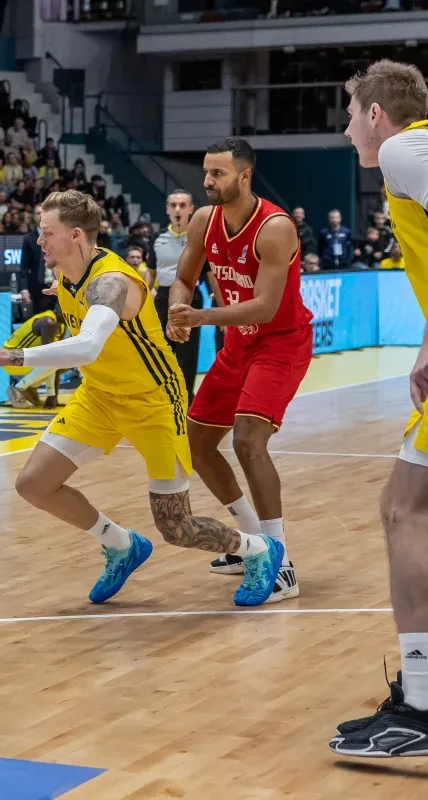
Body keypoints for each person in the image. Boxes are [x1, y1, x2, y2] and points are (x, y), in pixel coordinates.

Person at [0, 190, 284, 607]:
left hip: (153, 400)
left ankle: (258, 550)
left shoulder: (111, 282)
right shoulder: (65, 271)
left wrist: (13, 356)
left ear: (75, 235)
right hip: (99, 395)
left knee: (177, 528)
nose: (38, 241)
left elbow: (87, 346)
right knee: (33, 484)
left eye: (46, 233)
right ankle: (120, 544)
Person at [331, 59, 428, 757]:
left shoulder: (401, 149)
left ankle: (423, 708)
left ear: (375, 114)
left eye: (348, 114)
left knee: (406, 513)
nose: (344, 131)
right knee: (403, 508)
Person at [166, 138, 310, 602]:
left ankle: (281, 561)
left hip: (280, 343)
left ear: (244, 176)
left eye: (218, 174)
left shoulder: (275, 228)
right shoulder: (204, 221)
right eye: (205, 173)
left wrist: (202, 318)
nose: (207, 182)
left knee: (249, 441)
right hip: (238, 343)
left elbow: (266, 308)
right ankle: (252, 543)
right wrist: (176, 310)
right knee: (198, 443)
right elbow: (184, 278)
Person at [150, 191, 202, 396]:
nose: (177, 209)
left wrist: (222, 304)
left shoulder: (198, 238)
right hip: (162, 298)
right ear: (167, 209)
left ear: (191, 209)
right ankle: (161, 399)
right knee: (160, 353)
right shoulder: (158, 238)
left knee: (187, 355)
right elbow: (151, 272)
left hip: (191, 297)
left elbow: (211, 274)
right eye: (173, 205)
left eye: (182, 205)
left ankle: (187, 400)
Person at [3, 306, 65, 409]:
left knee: (66, 358)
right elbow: (48, 358)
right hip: (10, 358)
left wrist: (53, 396)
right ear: (59, 307)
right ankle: (18, 388)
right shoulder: (48, 322)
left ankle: (30, 387)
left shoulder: (61, 325)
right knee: (56, 357)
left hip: (25, 359)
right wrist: (51, 395)